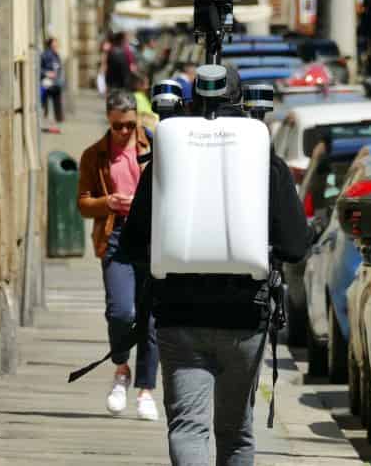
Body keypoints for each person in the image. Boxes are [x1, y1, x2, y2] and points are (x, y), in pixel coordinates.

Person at [120, 66, 308, 466]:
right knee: (236, 432)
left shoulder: (168, 159)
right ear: (245, 105)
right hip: (245, 314)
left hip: (179, 314)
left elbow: (133, 241)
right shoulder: (266, 162)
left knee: (188, 428)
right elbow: (295, 245)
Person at [77, 91, 160, 421]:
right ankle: (121, 368)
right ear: (109, 122)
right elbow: (83, 203)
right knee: (121, 311)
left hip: (152, 236)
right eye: (117, 126)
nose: (124, 132)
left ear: (136, 121)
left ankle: (145, 390)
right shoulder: (94, 155)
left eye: (128, 125)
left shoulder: (153, 148)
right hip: (115, 235)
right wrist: (107, 202)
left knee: (150, 317)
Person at [40, 36, 65, 123]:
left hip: (55, 82)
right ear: (50, 44)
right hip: (47, 82)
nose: (57, 45)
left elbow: (58, 68)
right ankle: (50, 117)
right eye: (55, 43)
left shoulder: (56, 54)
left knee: (56, 99)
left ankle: (57, 118)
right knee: (46, 100)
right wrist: (47, 73)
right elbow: (40, 69)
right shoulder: (46, 54)